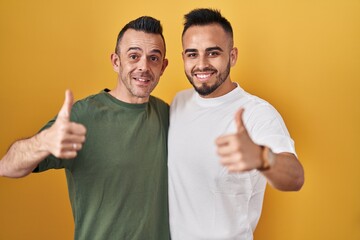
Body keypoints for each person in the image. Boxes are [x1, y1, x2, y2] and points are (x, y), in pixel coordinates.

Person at [0, 16, 170, 240]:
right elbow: (7, 167)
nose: (143, 67)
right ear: (116, 61)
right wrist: (42, 141)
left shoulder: (168, 116)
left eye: (153, 58)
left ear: (163, 66)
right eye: (133, 56)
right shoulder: (83, 115)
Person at [168, 8, 305, 240]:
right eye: (192, 54)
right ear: (183, 57)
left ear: (232, 56)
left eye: (213, 53)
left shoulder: (257, 113)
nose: (201, 65)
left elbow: (295, 177)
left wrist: (262, 157)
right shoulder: (178, 103)